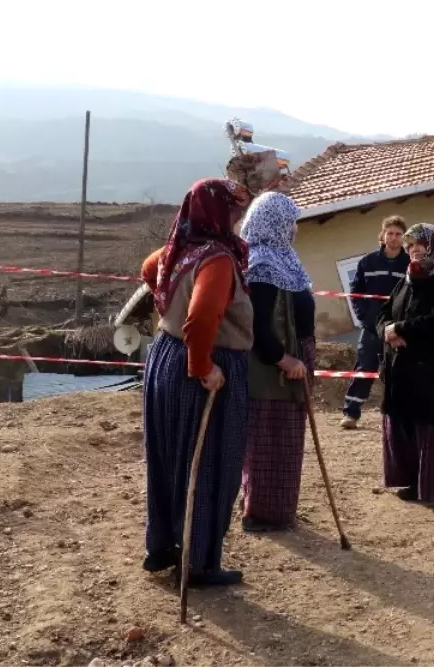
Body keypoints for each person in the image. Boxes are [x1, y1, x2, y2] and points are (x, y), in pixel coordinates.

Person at [140, 178, 253, 586]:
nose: (238, 218)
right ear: (219, 213)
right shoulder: (218, 259)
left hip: (165, 359)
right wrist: (204, 367)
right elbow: (202, 318)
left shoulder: (181, 247)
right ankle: (200, 563)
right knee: (209, 465)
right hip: (204, 368)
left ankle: (166, 547)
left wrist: (166, 301)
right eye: (234, 211)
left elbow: (149, 269)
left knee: (171, 459)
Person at [376, 223, 434, 508]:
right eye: (410, 246)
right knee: (406, 425)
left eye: (420, 244)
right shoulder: (405, 280)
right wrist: (387, 331)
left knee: (432, 428)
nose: (414, 250)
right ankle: (416, 484)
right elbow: (383, 314)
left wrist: (402, 329)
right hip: (402, 370)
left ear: (433, 246)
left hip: (432, 371)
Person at [239, 192, 316, 531]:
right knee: (269, 439)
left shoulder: (283, 258)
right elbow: (257, 326)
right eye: (291, 221)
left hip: (293, 360)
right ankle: (261, 512)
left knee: (286, 439)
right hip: (272, 370)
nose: (295, 228)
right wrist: (284, 360)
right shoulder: (263, 265)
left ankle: (279, 509)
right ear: (275, 223)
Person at [341, 215, 409, 429]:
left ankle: (398, 416)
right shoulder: (368, 262)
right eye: (390, 233)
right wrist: (363, 317)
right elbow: (355, 292)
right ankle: (351, 414)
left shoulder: (409, 265)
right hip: (371, 328)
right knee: (365, 367)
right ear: (383, 235)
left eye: (398, 234)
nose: (394, 238)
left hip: (397, 328)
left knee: (398, 371)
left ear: (403, 238)